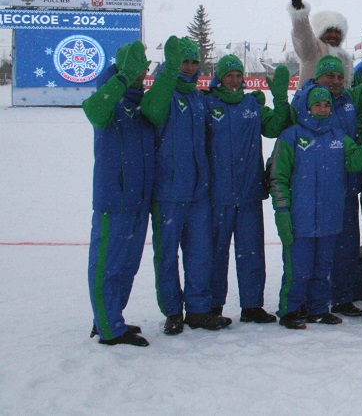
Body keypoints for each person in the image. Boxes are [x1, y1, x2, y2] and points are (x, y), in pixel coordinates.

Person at [269, 87, 362, 329]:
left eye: (327, 105)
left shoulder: (338, 137)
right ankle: (290, 310)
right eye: (318, 104)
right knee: (298, 270)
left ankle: (318, 309)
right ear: (308, 107)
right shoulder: (291, 137)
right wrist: (282, 211)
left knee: (322, 268)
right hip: (301, 219)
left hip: (330, 218)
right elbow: (278, 177)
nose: (323, 109)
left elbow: (356, 161)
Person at [290, 37, 362, 318]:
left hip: (346, 187)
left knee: (344, 249)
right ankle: (307, 300)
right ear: (317, 76)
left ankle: (342, 297)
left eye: (338, 76)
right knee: (314, 250)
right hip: (316, 190)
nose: (334, 81)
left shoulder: (348, 100)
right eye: (329, 75)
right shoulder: (303, 101)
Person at [145, 36, 231, 335]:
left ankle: (197, 309)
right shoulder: (162, 93)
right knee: (167, 255)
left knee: (200, 254)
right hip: (168, 192)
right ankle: (172, 311)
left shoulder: (198, 98)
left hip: (198, 193)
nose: (191, 66)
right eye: (186, 61)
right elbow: (152, 113)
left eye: (194, 61)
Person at [203, 55, 291, 324]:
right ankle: (213, 305)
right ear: (219, 77)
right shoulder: (208, 104)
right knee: (215, 253)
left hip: (249, 192)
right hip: (217, 194)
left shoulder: (252, 104)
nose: (234, 80)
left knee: (252, 252)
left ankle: (251, 305)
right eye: (229, 75)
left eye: (238, 75)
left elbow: (277, 127)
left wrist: (279, 99)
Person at [83, 40, 155, 347]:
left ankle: (111, 317)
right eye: (136, 69)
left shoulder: (141, 105)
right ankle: (109, 328)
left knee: (127, 265)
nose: (141, 75)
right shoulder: (108, 101)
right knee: (107, 264)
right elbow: (94, 109)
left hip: (139, 199)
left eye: (144, 69)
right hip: (114, 199)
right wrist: (123, 77)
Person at [283, 0, 354, 89]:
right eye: (329, 30)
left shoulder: (344, 58)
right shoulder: (312, 50)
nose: (333, 35)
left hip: (335, 108)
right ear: (320, 31)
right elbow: (302, 33)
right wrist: (296, 0)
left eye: (337, 32)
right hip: (309, 107)